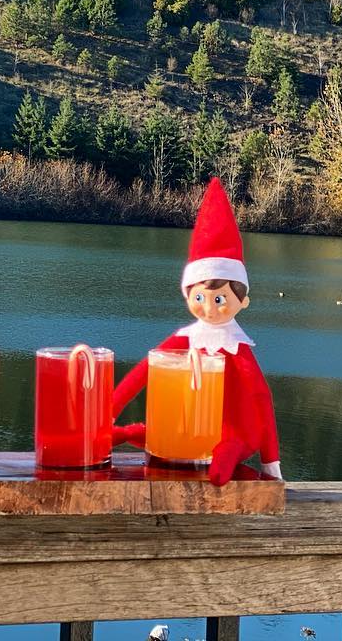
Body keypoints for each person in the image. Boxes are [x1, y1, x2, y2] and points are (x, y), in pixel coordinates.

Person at [111, 177, 282, 486]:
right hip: (188, 429)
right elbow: (144, 371)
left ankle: (225, 455)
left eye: (220, 300)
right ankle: (123, 433)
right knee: (164, 435)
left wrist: (270, 461)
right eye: (200, 298)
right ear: (187, 295)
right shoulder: (188, 338)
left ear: (243, 302)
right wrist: (109, 410)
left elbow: (261, 397)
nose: (209, 309)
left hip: (235, 431)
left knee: (230, 443)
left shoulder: (235, 347)